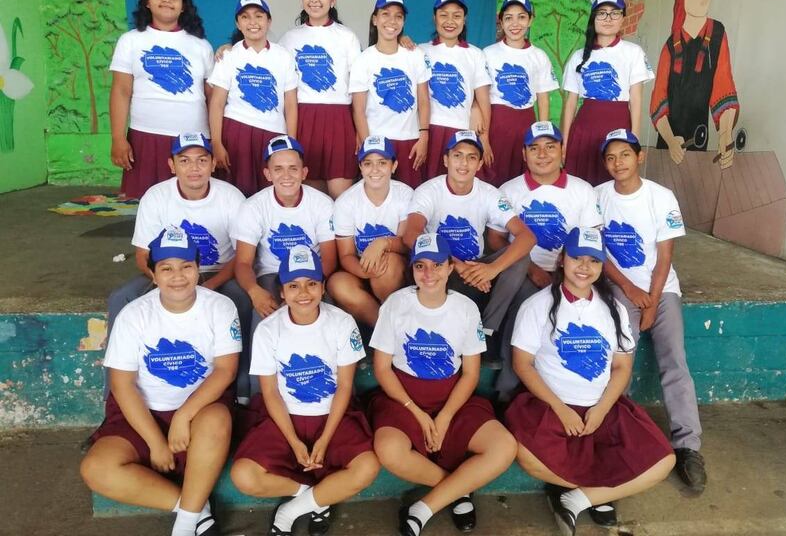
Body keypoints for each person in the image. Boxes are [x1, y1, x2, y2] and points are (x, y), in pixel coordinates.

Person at [506, 226, 675, 536]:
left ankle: (577, 498)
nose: (584, 267)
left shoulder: (614, 310)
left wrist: (600, 410)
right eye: (577, 258)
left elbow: (622, 367)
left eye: (594, 260)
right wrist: (561, 410)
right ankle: (600, 493)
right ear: (562, 259)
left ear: (602, 266)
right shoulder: (537, 306)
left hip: (602, 407)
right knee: (523, 454)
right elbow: (523, 364)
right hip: (551, 407)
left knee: (663, 462)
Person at [81, 226, 241, 536]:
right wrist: (155, 443)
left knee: (217, 420)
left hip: (199, 409)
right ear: (153, 275)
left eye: (186, 266)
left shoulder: (220, 307)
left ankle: (184, 525)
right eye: (166, 268)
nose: (178, 276)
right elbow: (122, 385)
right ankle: (196, 511)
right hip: (143, 413)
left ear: (198, 269)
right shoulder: (134, 314)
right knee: (96, 469)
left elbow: (225, 371)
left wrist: (183, 416)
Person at [369, 234, 517, 536]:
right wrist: (416, 412)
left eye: (437, 265)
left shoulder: (465, 308)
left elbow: (471, 373)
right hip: (404, 397)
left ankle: (422, 509)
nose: (428, 273)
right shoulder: (396, 304)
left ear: (451, 268)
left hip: (453, 396)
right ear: (412, 270)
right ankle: (458, 490)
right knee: (389, 450)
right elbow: (382, 369)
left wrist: (446, 416)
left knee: (504, 447)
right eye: (420, 266)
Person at [230, 245, 379, 536]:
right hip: (284, 416)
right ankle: (315, 496)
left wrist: (325, 438)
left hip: (332, 413)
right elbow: (270, 393)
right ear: (282, 292)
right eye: (293, 286)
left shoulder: (341, 322)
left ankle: (291, 510)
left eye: (311, 283)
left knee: (368, 466)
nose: (303, 293)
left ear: (322, 287)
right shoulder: (268, 329)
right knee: (244, 476)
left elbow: (345, 386)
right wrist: (294, 441)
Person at [596, 129, 707, 492]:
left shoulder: (661, 196)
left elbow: (665, 256)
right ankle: (621, 434)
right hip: (619, 288)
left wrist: (653, 300)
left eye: (625, 155)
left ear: (639, 156)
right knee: (619, 359)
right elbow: (598, 253)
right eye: (611, 158)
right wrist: (629, 289)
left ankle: (688, 446)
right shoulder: (597, 197)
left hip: (661, 289)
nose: (618, 163)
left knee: (674, 359)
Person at [106, 133, 251, 398]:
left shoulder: (231, 197)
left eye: (201, 160)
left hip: (219, 272)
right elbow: (142, 255)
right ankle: (115, 396)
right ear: (172, 165)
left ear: (213, 164)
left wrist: (209, 286)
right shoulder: (156, 196)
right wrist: (166, 282)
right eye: (184, 161)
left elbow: (241, 256)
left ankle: (241, 390)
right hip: (167, 273)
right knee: (121, 297)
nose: (194, 168)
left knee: (241, 298)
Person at [494, 121, 602, 397]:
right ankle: (509, 392)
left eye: (550, 147)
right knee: (524, 309)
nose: (542, 154)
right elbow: (495, 239)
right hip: (522, 274)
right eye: (534, 148)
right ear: (524, 154)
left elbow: (591, 242)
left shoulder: (583, 190)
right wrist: (531, 269)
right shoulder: (508, 190)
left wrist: (568, 274)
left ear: (562, 151)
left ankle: (569, 393)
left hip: (572, 274)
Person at [403, 130, 535, 340]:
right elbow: (411, 235)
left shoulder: (490, 193)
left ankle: (488, 331)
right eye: (457, 156)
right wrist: (456, 265)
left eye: (471, 157)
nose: (463, 163)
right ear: (446, 160)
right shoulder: (429, 191)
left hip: (479, 268)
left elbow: (527, 237)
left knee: (521, 259)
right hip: (441, 269)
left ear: (480, 163)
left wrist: (492, 269)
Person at [110, 0, 214, 199]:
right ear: (147, 1)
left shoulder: (201, 45)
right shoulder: (130, 41)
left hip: (194, 136)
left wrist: (216, 139)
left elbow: (212, 98)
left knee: (193, 199)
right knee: (149, 201)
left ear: (183, 5)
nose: (166, 0)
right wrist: (118, 138)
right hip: (145, 136)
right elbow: (121, 91)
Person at [231, 135, 336, 341]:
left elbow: (329, 260)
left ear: (304, 172)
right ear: (268, 174)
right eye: (278, 169)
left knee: (327, 317)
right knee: (264, 316)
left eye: (293, 168)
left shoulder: (322, 204)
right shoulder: (253, 207)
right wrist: (255, 291)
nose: (286, 175)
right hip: (271, 274)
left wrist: (300, 290)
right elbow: (243, 263)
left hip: (312, 274)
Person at [650, 0, 740, 170]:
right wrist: (671, 140)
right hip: (667, 147)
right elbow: (658, 102)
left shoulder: (717, 34)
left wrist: (725, 135)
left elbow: (723, 88)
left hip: (700, 144)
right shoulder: (670, 47)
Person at [278, 0, 363, 198]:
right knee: (311, 197)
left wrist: (358, 130)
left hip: (340, 120)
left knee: (341, 195)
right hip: (304, 119)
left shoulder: (347, 37)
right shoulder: (289, 39)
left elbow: (358, 88)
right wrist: (229, 47)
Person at [208, 0, 298, 197]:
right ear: (238, 24)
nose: (253, 22)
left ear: (269, 21)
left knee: (271, 192)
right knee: (237, 191)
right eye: (245, 17)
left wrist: (291, 142)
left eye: (259, 16)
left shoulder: (283, 56)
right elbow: (217, 103)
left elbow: (291, 104)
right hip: (236, 132)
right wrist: (217, 142)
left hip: (274, 133)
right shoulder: (229, 55)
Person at [561, 0, 654, 186]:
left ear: (622, 19)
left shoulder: (633, 53)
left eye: (615, 13)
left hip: (619, 128)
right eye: (602, 13)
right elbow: (570, 104)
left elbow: (636, 100)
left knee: (614, 185)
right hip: (584, 131)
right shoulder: (578, 56)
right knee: (580, 186)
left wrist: (634, 140)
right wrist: (565, 143)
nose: (608, 18)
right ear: (593, 18)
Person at [327, 135, 412, 328]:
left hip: (394, 268)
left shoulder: (405, 194)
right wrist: (365, 271)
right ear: (360, 167)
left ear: (394, 166)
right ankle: (385, 330)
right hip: (361, 269)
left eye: (382, 162)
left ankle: (391, 323)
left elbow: (406, 244)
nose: (375, 169)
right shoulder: (346, 202)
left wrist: (382, 243)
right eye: (368, 163)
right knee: (337, 284)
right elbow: (346, 255)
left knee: (387, 265)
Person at [350, 0, 431, 188]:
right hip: (378, 141)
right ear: (375, 19)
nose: (392, 21)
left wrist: (424, 136)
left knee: (410, 197)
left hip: (410, 142)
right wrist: (369, 148)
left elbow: (423, 101)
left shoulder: (416, 55)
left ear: (403, 22)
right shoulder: (363, 60)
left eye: (398, 16)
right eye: (385, 14)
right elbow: (358, 110)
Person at [483, 0, 559, 187]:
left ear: (530, 20)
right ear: (501, 21)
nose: (515, 24)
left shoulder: (539, 56)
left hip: (526, 123)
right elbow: (480, 97)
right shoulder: (488, 53)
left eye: (522, 17)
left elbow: (543, 98)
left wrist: (541, 135)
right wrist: (484, 137)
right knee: (492, 175)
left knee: (522, 179)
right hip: (496, 123)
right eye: (509, 18)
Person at [418, 0, 493, 181]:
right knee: (429, 185)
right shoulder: (421, 51)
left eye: (457, 15)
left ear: (464, 20)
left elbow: (483, 99)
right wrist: (403, 39)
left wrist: (484, 137)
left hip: (463, 131)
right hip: (429, 130)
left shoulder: (475, 54)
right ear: (434, 17)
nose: (450, 21)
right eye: (444, 15)